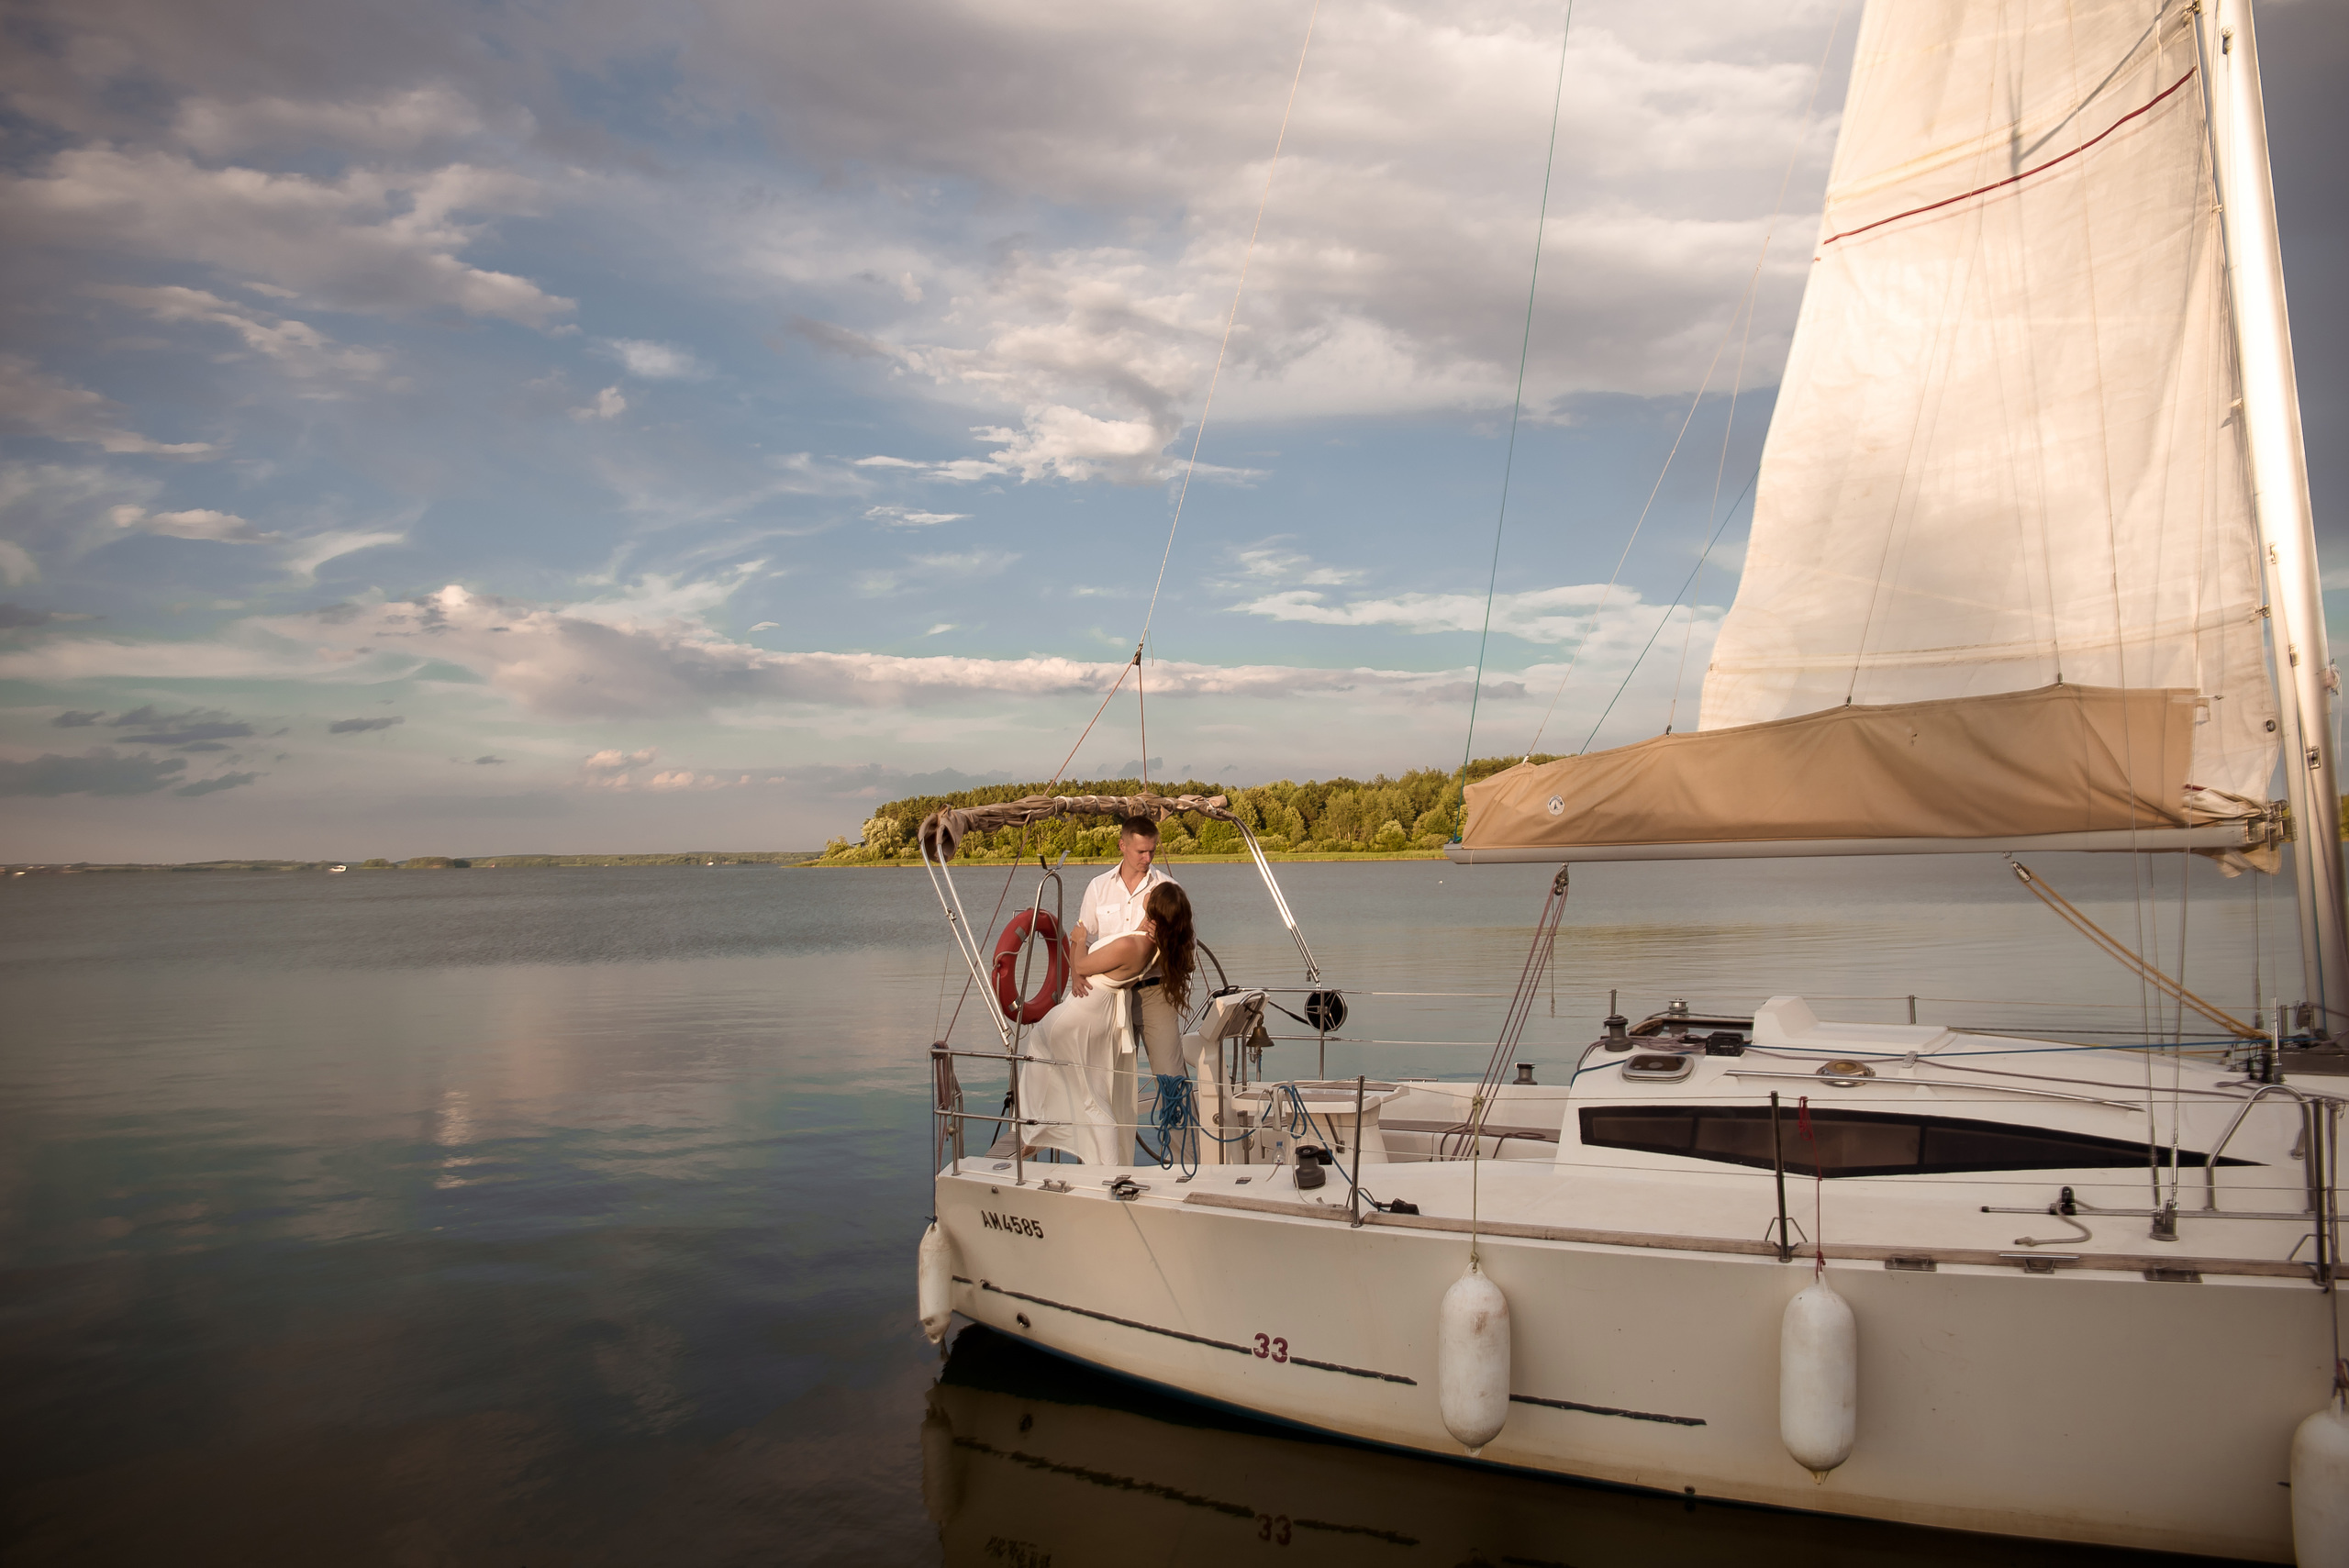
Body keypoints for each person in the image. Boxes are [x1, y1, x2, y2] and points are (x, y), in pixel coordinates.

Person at [1019, 880, 1198, 1165]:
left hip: (1081, 1013)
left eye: (1153, 892)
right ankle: (1041, 1130)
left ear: (1155, 910)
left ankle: (1044, 1134)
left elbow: (1080, 965)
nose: (1149, 887)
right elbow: (1146, 931)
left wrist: (1078, 938)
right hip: (1101, 1013)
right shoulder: (1157, 942)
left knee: (1080, 1086)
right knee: (1088, 1085)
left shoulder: (1131, 944)